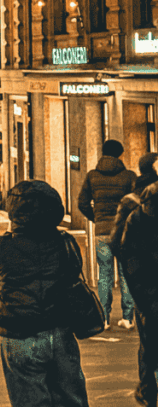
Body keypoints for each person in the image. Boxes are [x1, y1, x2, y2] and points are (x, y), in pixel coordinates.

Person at [0, 180, 91, 407]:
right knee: (71, 397)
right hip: (60, 329)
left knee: (29, 400)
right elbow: (73, 272)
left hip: (19, 332)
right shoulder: (65, 242)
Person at [110, 153, 158, 407]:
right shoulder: (136, 203)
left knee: (149, 337)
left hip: (146, 287)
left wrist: (138, 284)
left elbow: (119, 244)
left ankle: (148, 388)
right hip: (147, 285)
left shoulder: (132, 201)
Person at [77, 138, 137, 330]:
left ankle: (103, 318)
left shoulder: (92, 176)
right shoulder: (129, 176)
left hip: (102, 231)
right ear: (120, 154)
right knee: (126, 275)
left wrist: (97, 218)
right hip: (125, 233)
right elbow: (137, 202)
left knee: (104, 274)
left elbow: (82, 203)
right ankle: (127, 318)